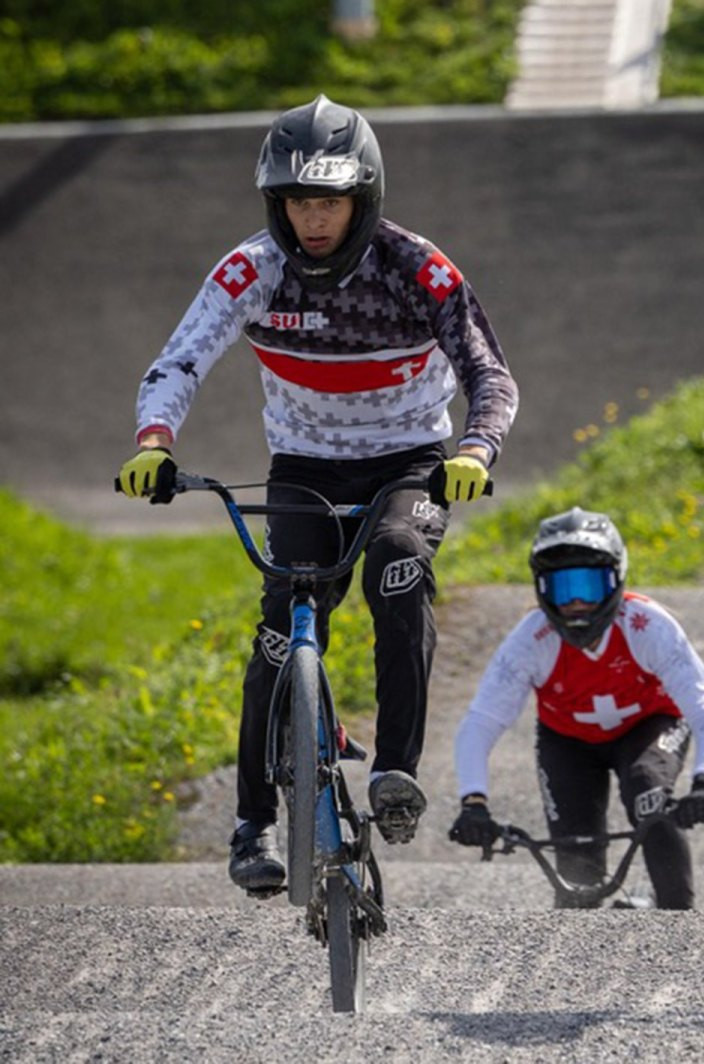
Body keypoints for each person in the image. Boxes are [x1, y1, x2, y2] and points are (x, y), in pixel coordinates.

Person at [116, 95, 519, 894]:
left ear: (362, 197)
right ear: (277, 202)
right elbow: (178, 362)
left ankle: (396, 775)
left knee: (399, 564)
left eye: (329, 200)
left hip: (409, 462)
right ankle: (252, 825)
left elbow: (489, 374)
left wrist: (475, 447)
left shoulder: (417, 268)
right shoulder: (252, 269)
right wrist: (156, 442)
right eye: (298, 201)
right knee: (279, 632)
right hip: (303, 465)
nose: (313, 220)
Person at [449, 508, 704, 910]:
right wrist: (473, 802)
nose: (578, 603)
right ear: (542, 591)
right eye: (563, 590)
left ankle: (677, 918)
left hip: (650, 725)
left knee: (648, 791)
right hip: (568, 741)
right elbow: (480, 723)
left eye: (589, 586)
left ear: (616, 580)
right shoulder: (531, 639)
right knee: (576, 882)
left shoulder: (648, 626)